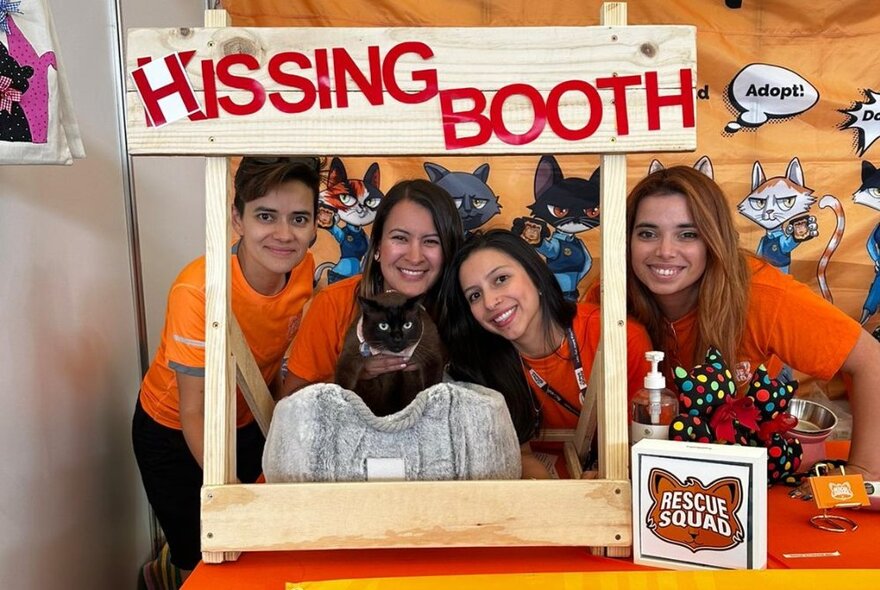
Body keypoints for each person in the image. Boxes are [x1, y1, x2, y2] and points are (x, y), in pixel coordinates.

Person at [131, 156, 322, 587]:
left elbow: (269, 354)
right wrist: (230, 492)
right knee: (201, 549)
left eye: (299, 218)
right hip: (173, 432)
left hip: (247, 415)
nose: (284, 233)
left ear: (314, 226)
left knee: (260, 543)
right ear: (236, 219)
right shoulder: (197, 291)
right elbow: (192, 411)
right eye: (265, 216)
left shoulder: (304, 269)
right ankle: (165, 573)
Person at [623, 165, 880, 479]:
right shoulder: (608, 297)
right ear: (627, 240)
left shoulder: (762, 294)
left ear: (714, 240)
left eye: (688, 234)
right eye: (647, 233)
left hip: (742, 453)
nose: (664, 251)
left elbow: (871, 360)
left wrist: (865, 472)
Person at [438, 229, 652, 479]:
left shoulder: (619, 336)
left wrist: (605, 478)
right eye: (475, 295)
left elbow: (641, 443)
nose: (490, 301)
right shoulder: (481, 367)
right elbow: (522, 456)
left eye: (500, 279)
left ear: (535, 274)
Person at [282, 179, 464, 396]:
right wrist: (355, 376)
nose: (415, 257)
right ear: (377, 247)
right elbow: (290, 403)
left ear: (448, 251)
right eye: (400, 238)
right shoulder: (335, 303)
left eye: (431, 242)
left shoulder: (466, 308)